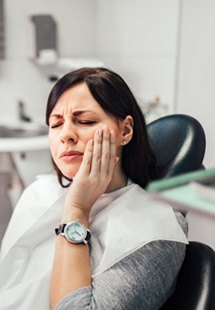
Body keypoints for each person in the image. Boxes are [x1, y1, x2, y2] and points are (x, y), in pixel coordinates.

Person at [0, 67, 188, 310]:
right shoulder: (38, 193)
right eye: (55, 124)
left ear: (126, 131)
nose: (66, 134)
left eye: (85, 121)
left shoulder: (157, 230)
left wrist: (77, 209)